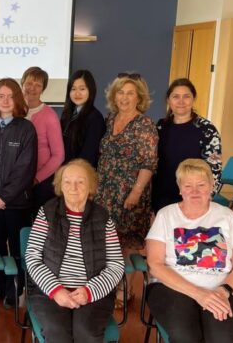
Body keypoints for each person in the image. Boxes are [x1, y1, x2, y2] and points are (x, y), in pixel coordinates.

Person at [146, 159, 233, 343]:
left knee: (222, 338)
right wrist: (198, 293)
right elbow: (155, 265)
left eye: (201, 185)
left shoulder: (227, 216)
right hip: (173, 289)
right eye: (188, 185)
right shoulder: (166, 215)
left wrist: (223, 291)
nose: (194, 191)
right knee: (186, 337)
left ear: (211, 187)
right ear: (180, 188)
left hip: (223, 290)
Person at [25, 159, 124, 342]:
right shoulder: (46, 212)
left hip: (93, 292)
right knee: (57, 332)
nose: (73, 187)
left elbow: (116, 265)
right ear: (60, 186)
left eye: (80, 182)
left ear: (91, 186)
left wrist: (89, 291)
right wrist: (55, 290)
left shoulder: (103, 218)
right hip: (49, 291)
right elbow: (32, 258)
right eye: (67, 182)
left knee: (86, 332)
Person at [94, 73, 158, 308]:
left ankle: (125, 290)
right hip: (105, 191)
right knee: (109, 242)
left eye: (130, 93)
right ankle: (108, 286)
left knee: (127, 244)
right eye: (121, 92)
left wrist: (136, 192)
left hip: (131, 194)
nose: (125, 97)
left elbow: (149, 163)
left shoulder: (145, 124)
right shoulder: (111, 119)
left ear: (139, 97)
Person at [0, 78, 37, 308]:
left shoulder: (26, 129)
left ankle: (15, 288)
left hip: (17, 204)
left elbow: (25, 168)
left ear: (18, 100)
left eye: (11, 96)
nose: (6, 100)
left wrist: (5, 197)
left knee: (17, 248)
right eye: (1, 96)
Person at [152, 78, 222, 213]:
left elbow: (215, 169)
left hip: (193, 197)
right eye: (176, 97)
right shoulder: (160, 127)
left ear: (193, 99)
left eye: (186, 96)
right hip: (162, 196)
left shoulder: (207, 129)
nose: (181, 101)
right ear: (168, 100)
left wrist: (206, 198)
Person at [21, 67, 64, 217]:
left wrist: (37, 178)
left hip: (41, 182)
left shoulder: (49, 115)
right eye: (29, 83)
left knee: (39, 227)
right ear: (22, 83)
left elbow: (58, 156)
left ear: (43, 89)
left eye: (38, 85)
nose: (32, 88)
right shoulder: (13, 111)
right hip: (18, 180)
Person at [60, 69, 105, 167]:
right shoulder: (67, 114)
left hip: (81, 175)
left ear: (91, 90)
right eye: (73, 89)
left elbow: (88, 155)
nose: (77, 93)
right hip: (65, 173)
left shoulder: (95, 118)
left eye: (82, 89)